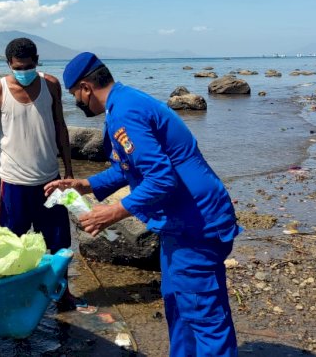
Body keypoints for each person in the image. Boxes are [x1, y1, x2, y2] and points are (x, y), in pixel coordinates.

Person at [46, 52, 240, 356]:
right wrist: (84, 184)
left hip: (197, 222)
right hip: (178, 223)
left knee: (203, 316)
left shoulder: (125, 111)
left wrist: (114, 212)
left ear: (85, 87)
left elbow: (162, 179)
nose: (78, 103)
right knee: (177, 301)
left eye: (76, 96)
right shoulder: (121, 104)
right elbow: (129, 167)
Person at [0, 37, 83, 309]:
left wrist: (69, 172)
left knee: (60, 242)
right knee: (11, 243)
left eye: (27, 66)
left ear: (36, 61)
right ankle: (13, 297)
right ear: (8, 65)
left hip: (50, 179)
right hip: (13, 182)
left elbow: (61, 126)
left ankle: (63, 293)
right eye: (17, 67)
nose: (22, 71)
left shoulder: (51, 85)